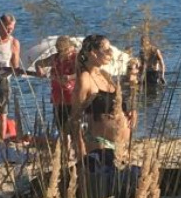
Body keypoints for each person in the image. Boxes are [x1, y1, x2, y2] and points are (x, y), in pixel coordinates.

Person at [75, 35, 132, 167]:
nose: (110, 53)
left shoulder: (106, 76)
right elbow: (76, 117)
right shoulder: (85, 78)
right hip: (99, 143)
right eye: (106, 50)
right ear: (93, 53)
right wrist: (81, 152)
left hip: (120, 145)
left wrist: (129, 113)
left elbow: (117, 103)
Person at [49, 36, 80, 136]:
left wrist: (70, 77)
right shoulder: (56, 58)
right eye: (59, 50)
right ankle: (65, 147)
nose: (62, 53)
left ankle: (74, 148)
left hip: (72, 97)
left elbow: (83, 73)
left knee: (74, 129)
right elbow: (39, 63)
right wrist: (39, 68)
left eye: (64, 50)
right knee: (62, 129)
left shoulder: (76, 58)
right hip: (58, 97)